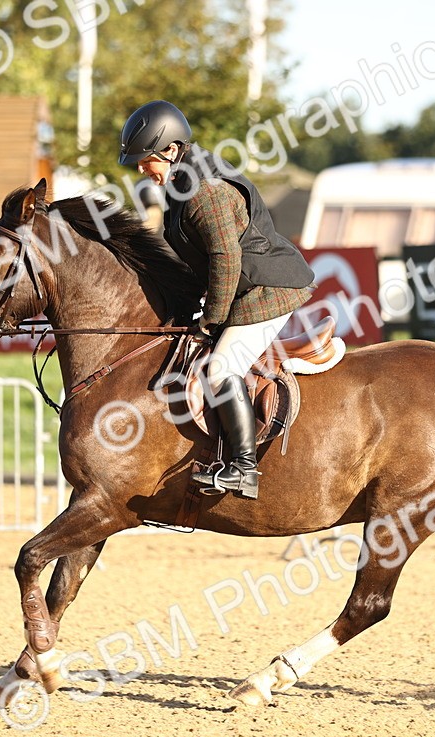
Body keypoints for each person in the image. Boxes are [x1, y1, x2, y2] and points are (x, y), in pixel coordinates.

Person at [119, 100, 314, 500]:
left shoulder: (204, 191)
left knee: (223, 367)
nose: (141, 169)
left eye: (144, 160)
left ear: (171, 150)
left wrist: (211, 318)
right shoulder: (180, 186)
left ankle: (244, 468)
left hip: (267, 289)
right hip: (246, 287)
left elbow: (226, 259)